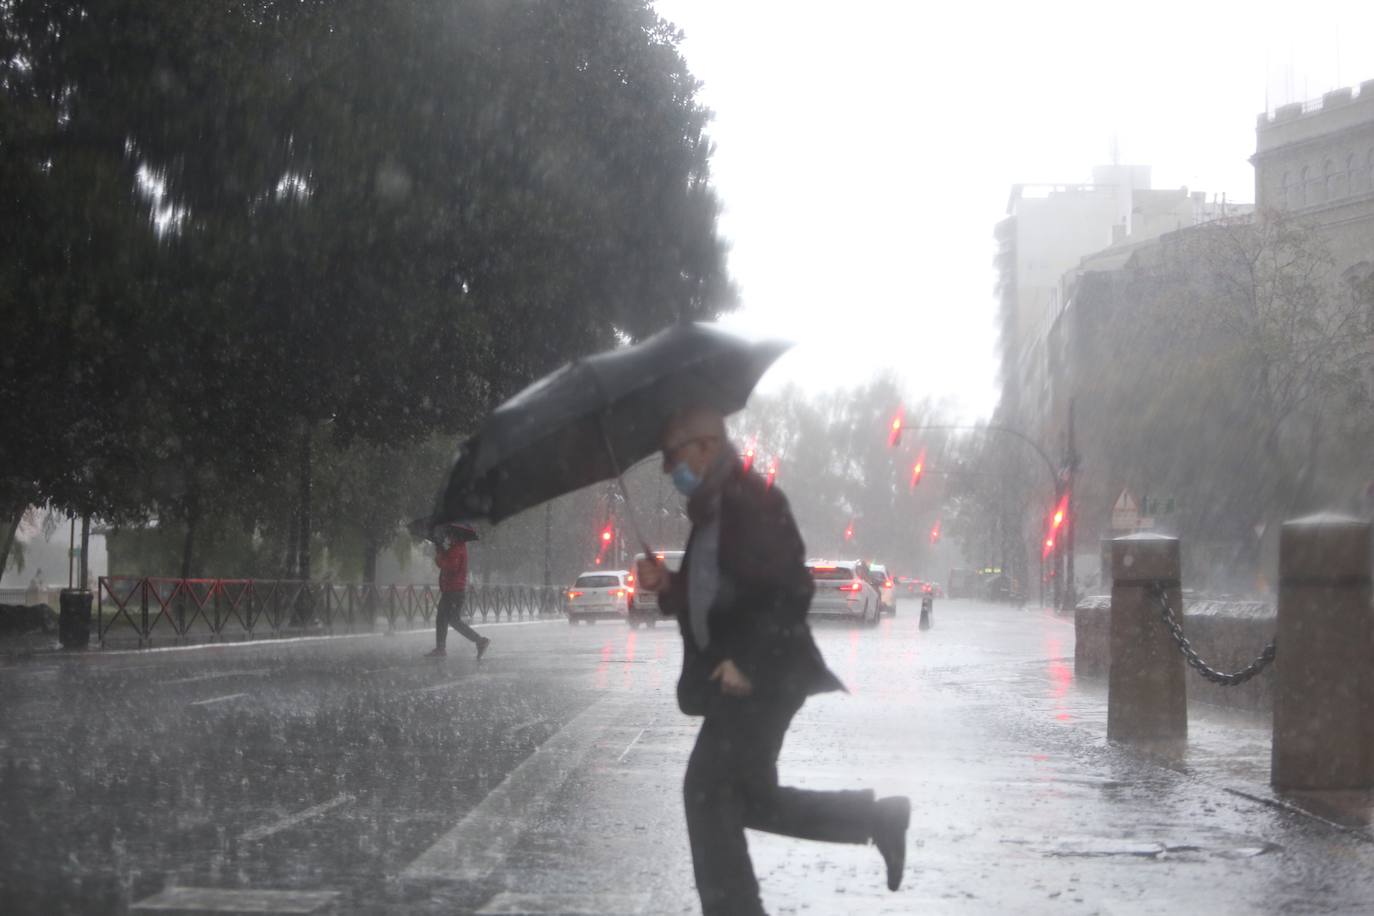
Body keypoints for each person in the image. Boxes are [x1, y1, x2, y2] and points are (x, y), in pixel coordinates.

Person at [636, 406, 909, 916]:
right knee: (746, 800)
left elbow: (790, 591)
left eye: (674, 455)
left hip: (762, 680)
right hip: (737, 680)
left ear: (706, 446)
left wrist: (749, 663)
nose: (670, 468)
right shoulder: (714, 509)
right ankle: (876, 819)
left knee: (707, 797)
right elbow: (715, 598)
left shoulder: (751, 502)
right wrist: (668, 585)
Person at [425, 525, 490, 659]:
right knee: (451, 620)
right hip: (454, 590)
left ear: (456, 536)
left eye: (450, 535)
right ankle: (478, 641)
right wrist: (440, 548)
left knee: (446, 619)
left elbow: (449, 567)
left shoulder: (457, 549)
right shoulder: (457, 549)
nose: (448, 537)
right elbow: (447, 561)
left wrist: (439, 556)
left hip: (453, 591)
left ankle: (442, 648)